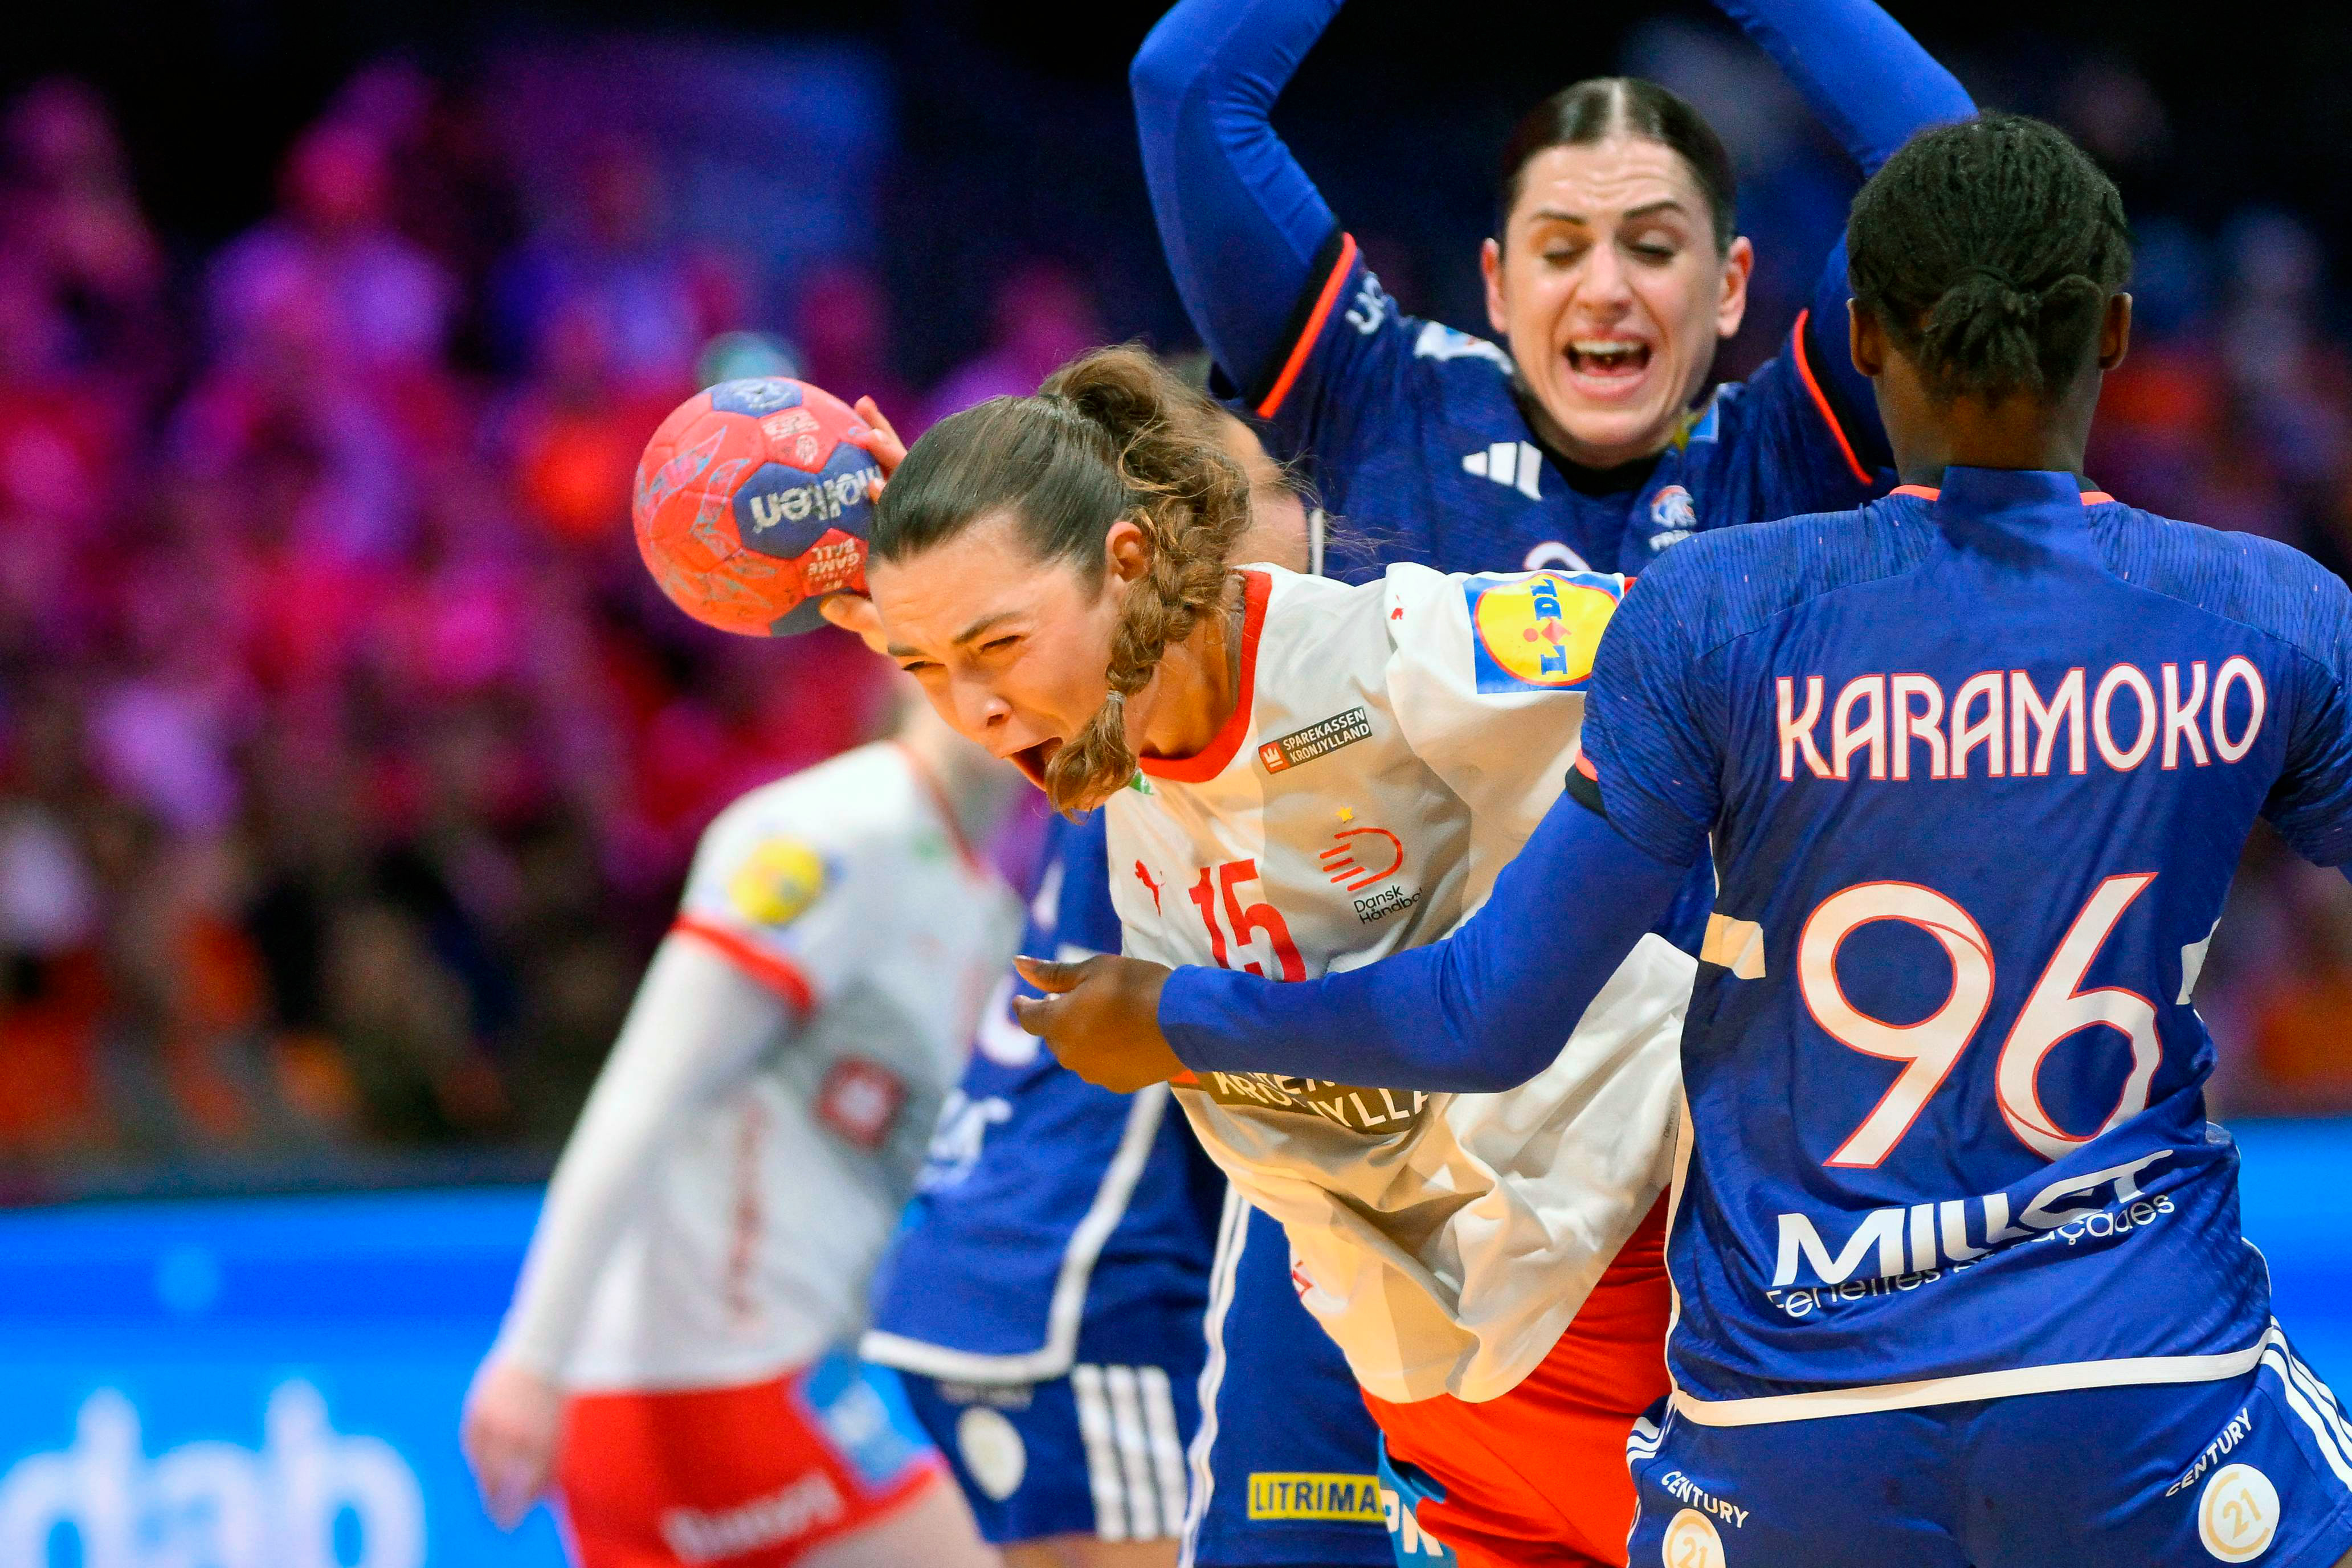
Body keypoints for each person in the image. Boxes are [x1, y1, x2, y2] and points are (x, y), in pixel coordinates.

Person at [1021, 116, 2352, 1568]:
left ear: (1860, 336)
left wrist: (1182, 1015)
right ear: (2116, 331)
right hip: (2144, 1380)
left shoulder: (1714, 609)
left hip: (1787, 1420)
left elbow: (1484, 1017)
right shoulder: (2265, 612)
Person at [862, 344, 1694, 1568]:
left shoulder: (1389, 650)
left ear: (1126, 567)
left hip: (1625, 1288)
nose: (972, 711)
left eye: (996, 645)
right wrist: (947, 555)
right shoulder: (1113, 734)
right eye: (923, 668)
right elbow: (1011, 599)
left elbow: (1704, 640)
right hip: (1432, 1383)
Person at [844, 375, 1373, 1568]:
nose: (1266, 524)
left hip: (1002, 1259)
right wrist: (955, 543)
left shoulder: (1114, 734)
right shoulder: (1140, 738)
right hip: (1076, 1281)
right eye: (1235, 495)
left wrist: (940, 536)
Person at [1129, 0, 1973, 581]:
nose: (1605, 289)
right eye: (1561, 251)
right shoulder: (1377, 399)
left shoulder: (1786, 451)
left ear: (1729, 285)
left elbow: (1954, 168)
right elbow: (1185, 88)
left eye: (1652, 248)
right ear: (1498, 285)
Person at [459, 703, 1023, 1568]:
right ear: (905, 655)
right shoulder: (832, 832)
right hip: (701, 1388)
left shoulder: (993, 910)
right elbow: (647, 1089)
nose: (1003, 693)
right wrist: (533, 1356)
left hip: (780, 1375)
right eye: (977, 647)